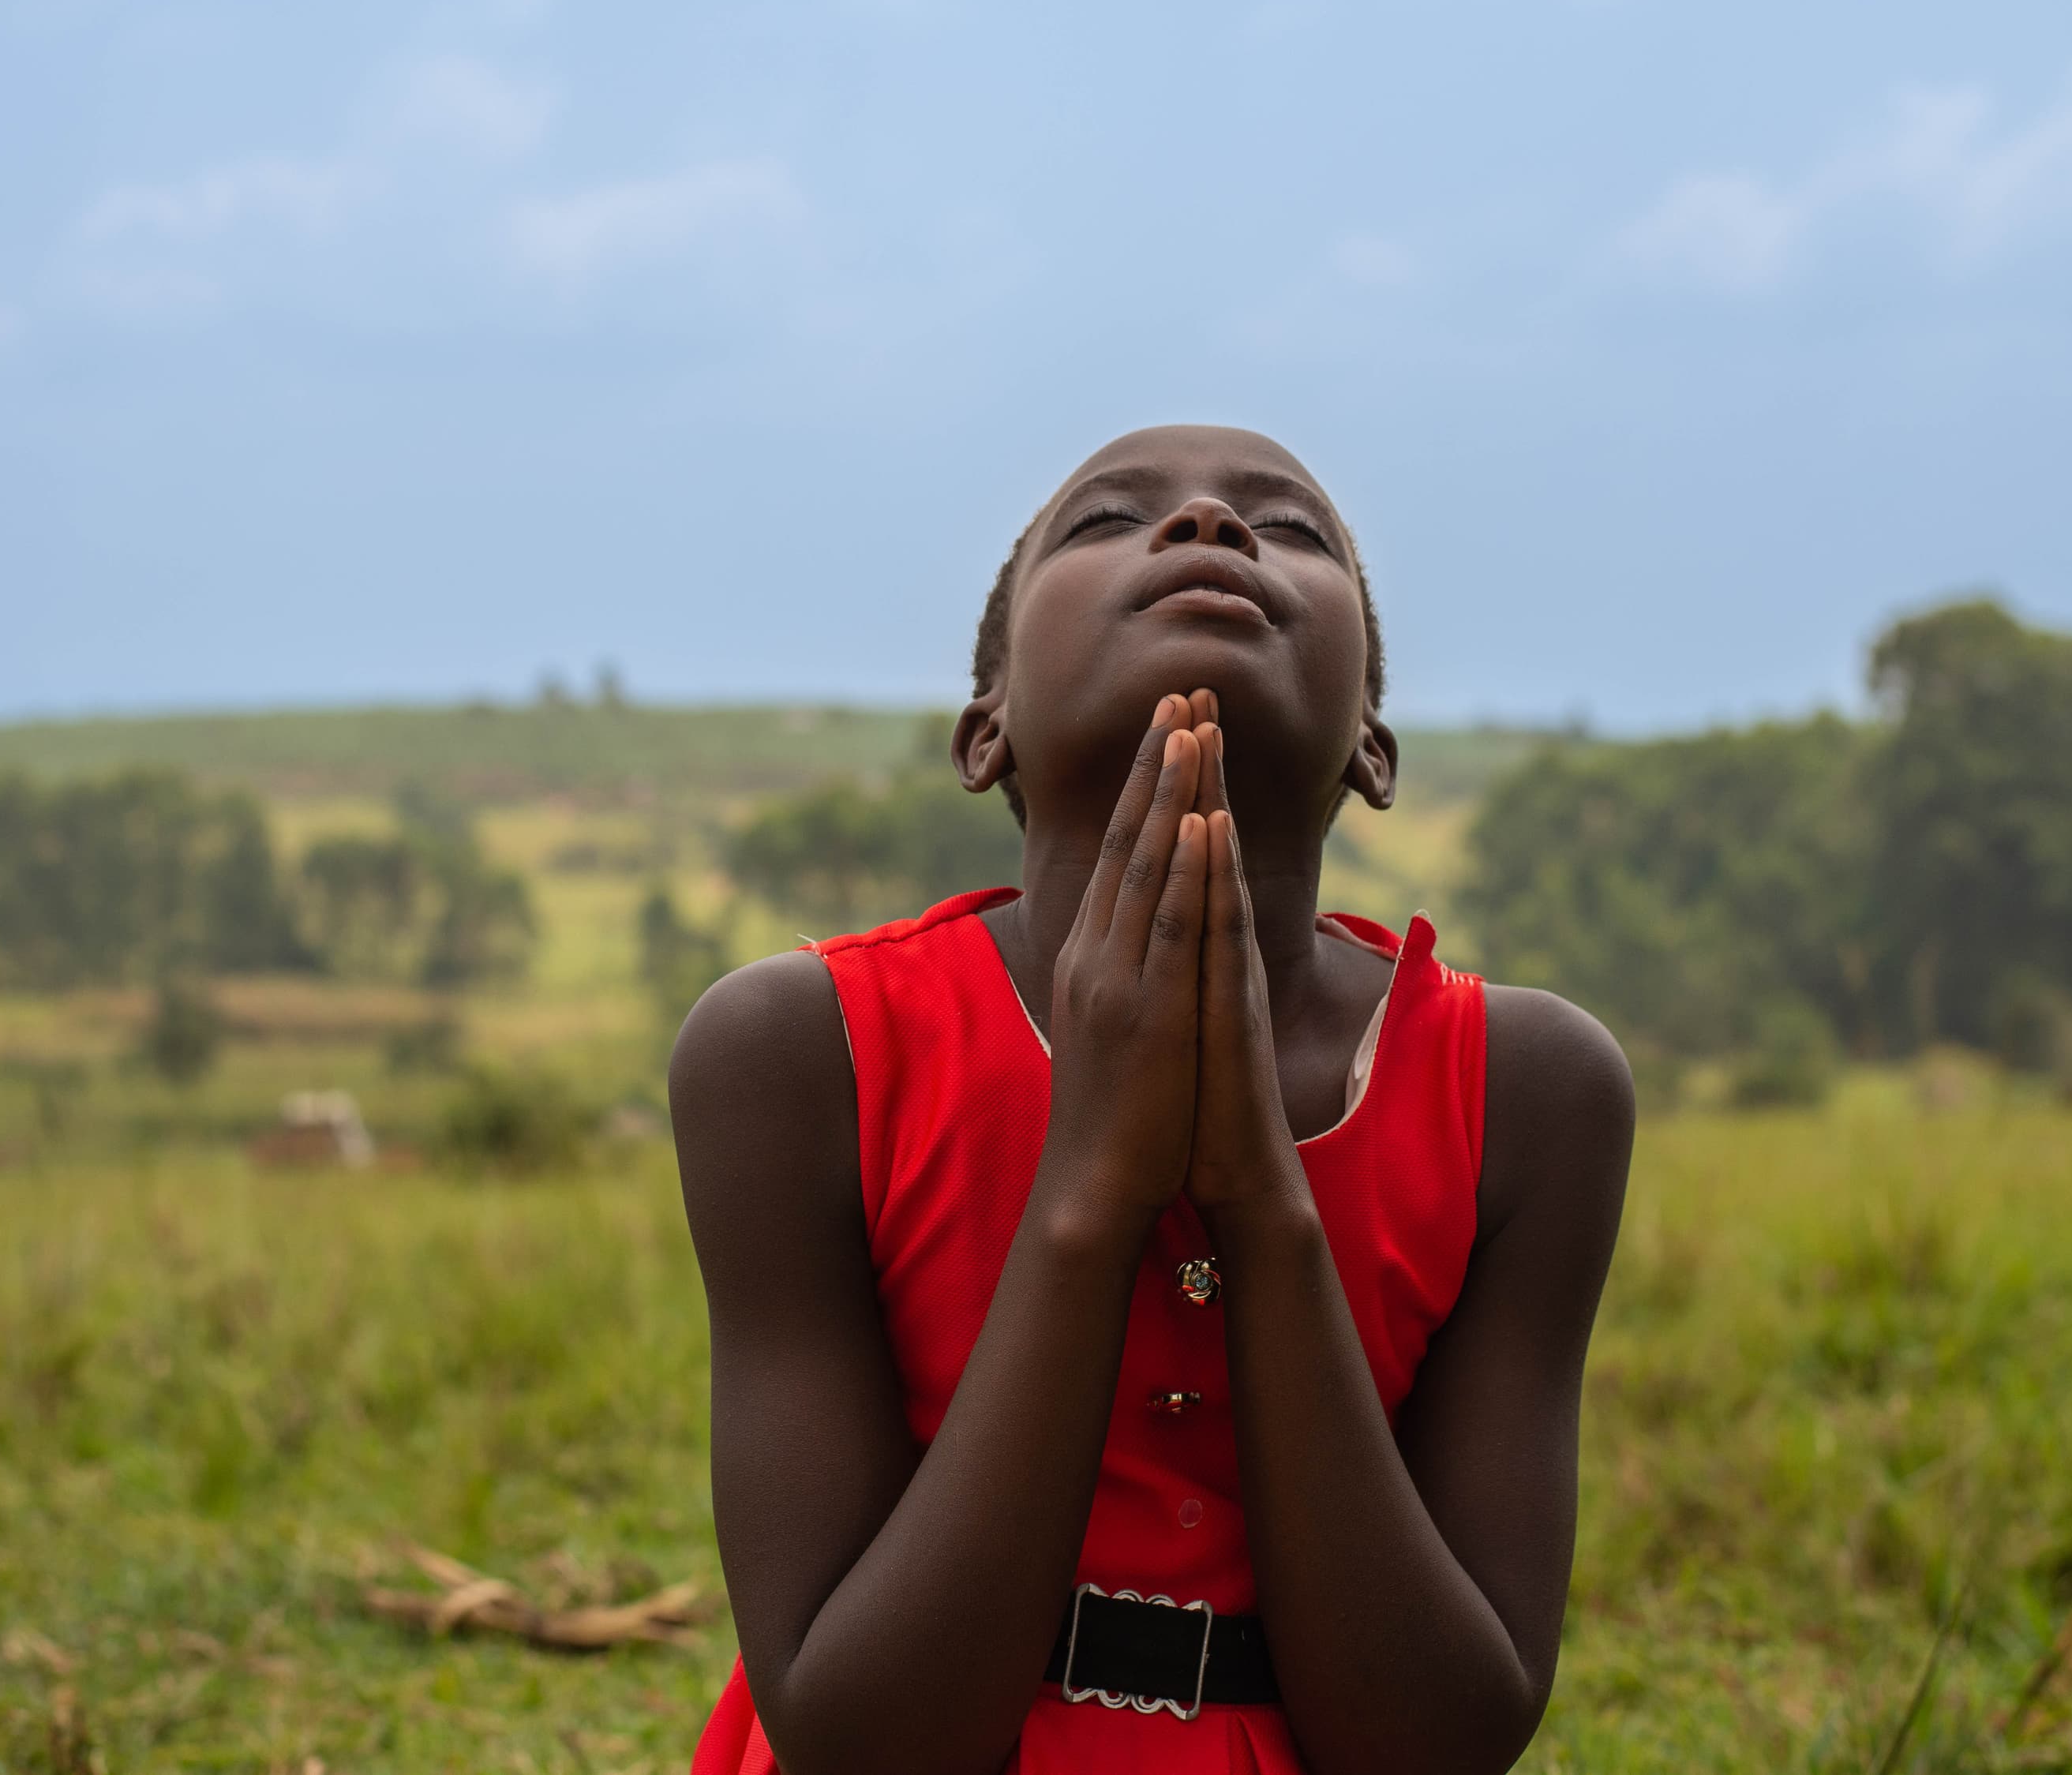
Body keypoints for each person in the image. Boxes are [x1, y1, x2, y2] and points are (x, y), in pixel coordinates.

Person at [671, 425, 1635, 1775]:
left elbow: (1443, 1737)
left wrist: (1257, 1195)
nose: (1205, 528)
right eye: (1108, 519)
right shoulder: (800, 1052)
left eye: (1290, 529)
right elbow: (859, 1737)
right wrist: (1096, 1187)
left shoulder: (1530, 1093)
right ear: (985, 729)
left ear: (1372, 745)